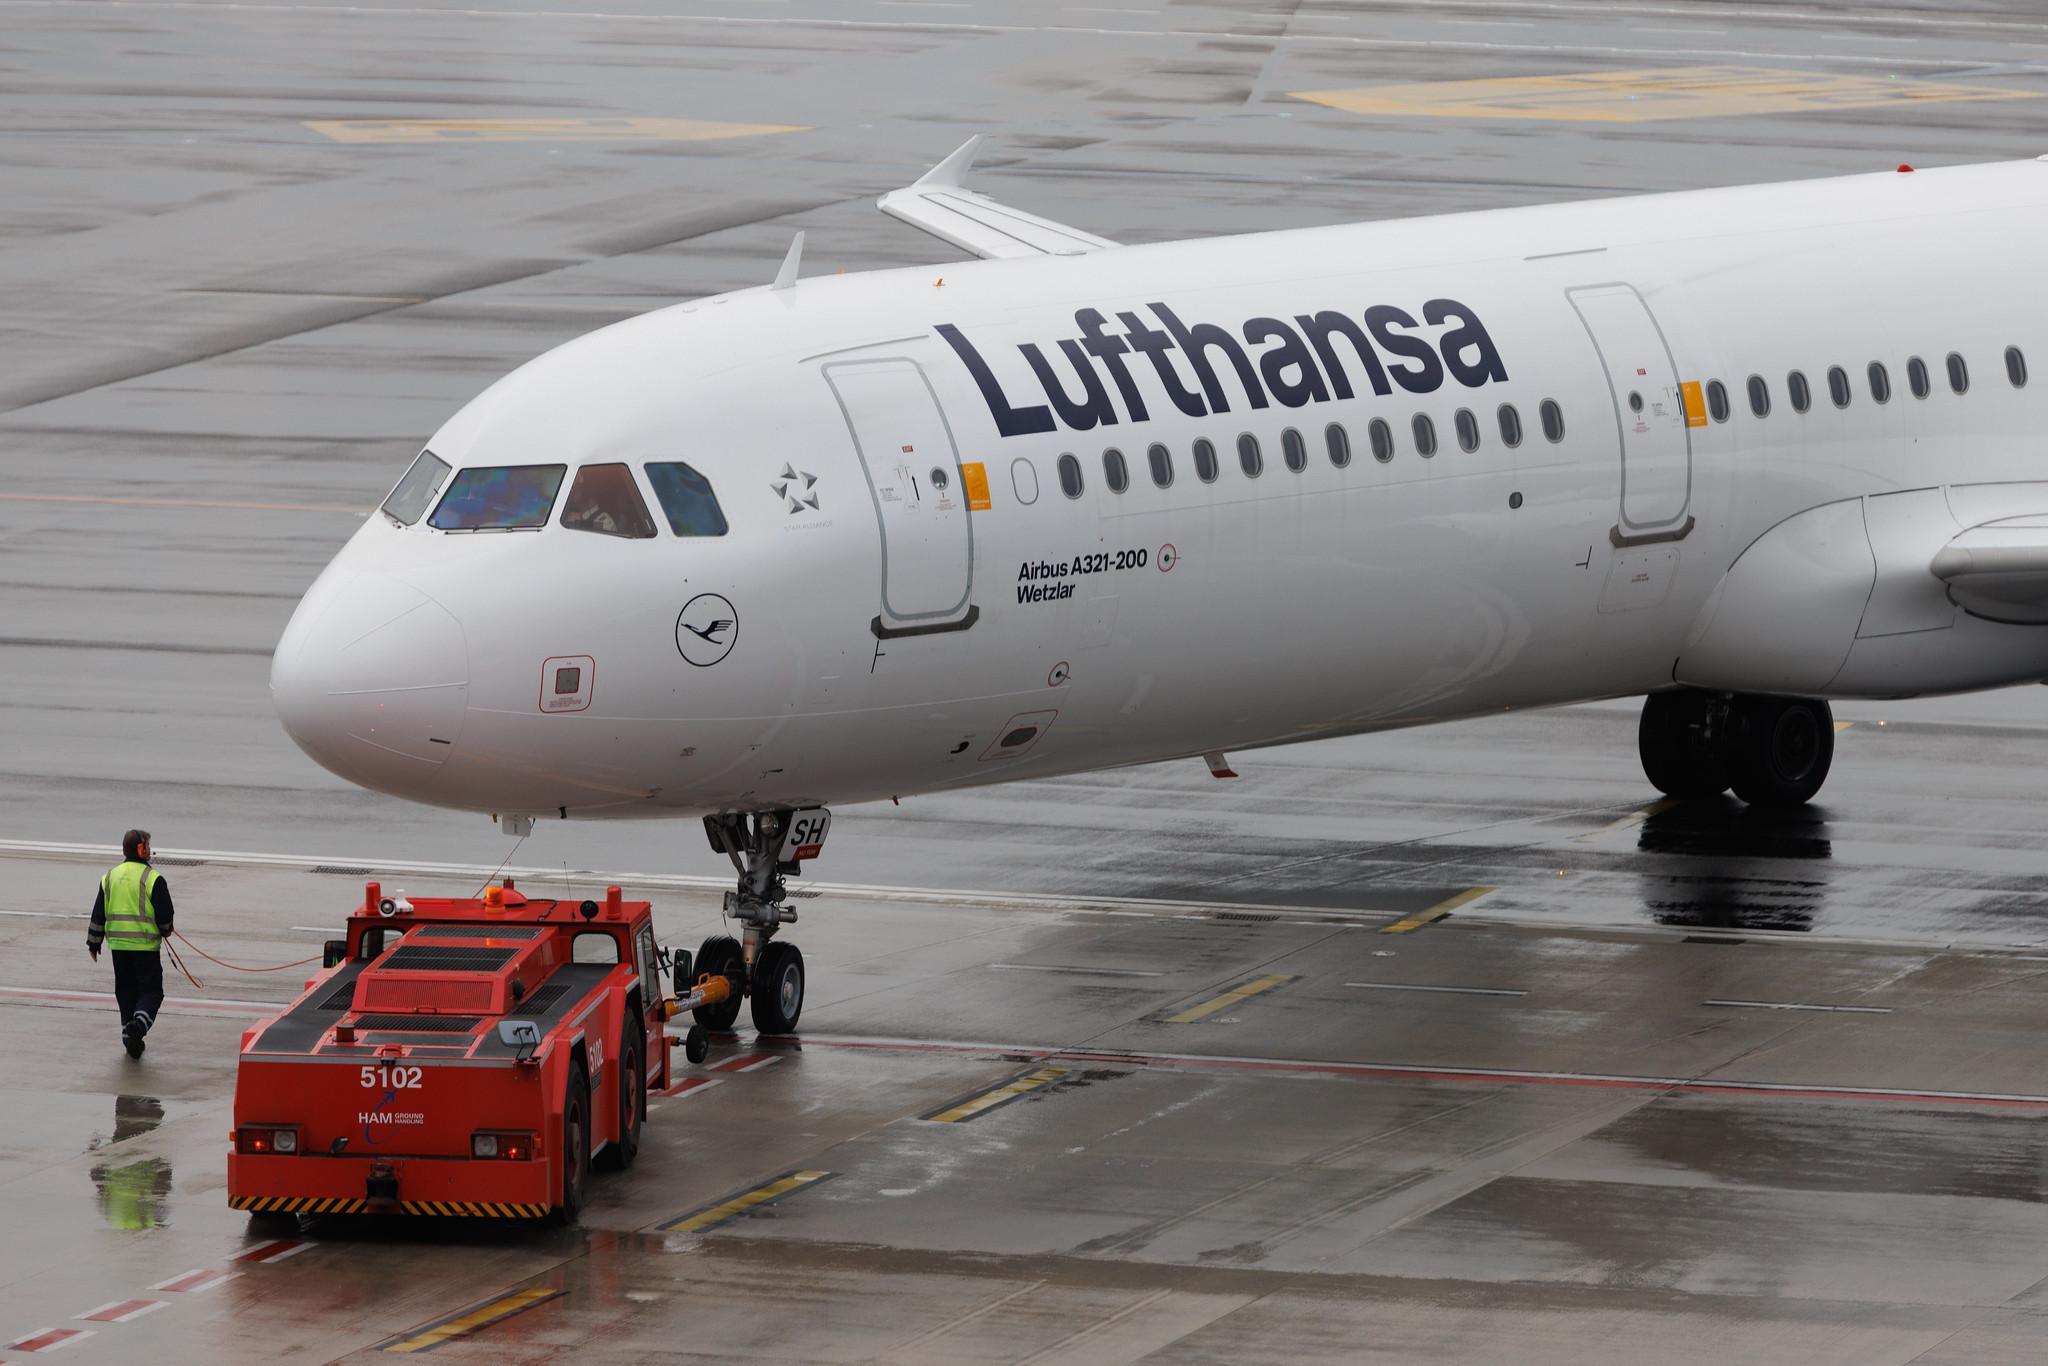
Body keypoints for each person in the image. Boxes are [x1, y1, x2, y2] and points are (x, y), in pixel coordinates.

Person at [88, 829, 174, 1059]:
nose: (150, 850)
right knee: (152, 992)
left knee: (126, 992)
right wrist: (166, 930)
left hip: (118, 948)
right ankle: (137, 1027)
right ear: (140, 849)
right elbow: (165, 914)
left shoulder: (110, 876)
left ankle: (129, 1038)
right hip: (145, 948)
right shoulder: (152, 878)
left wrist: (94, 944)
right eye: (147, 845)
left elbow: (99, 913)